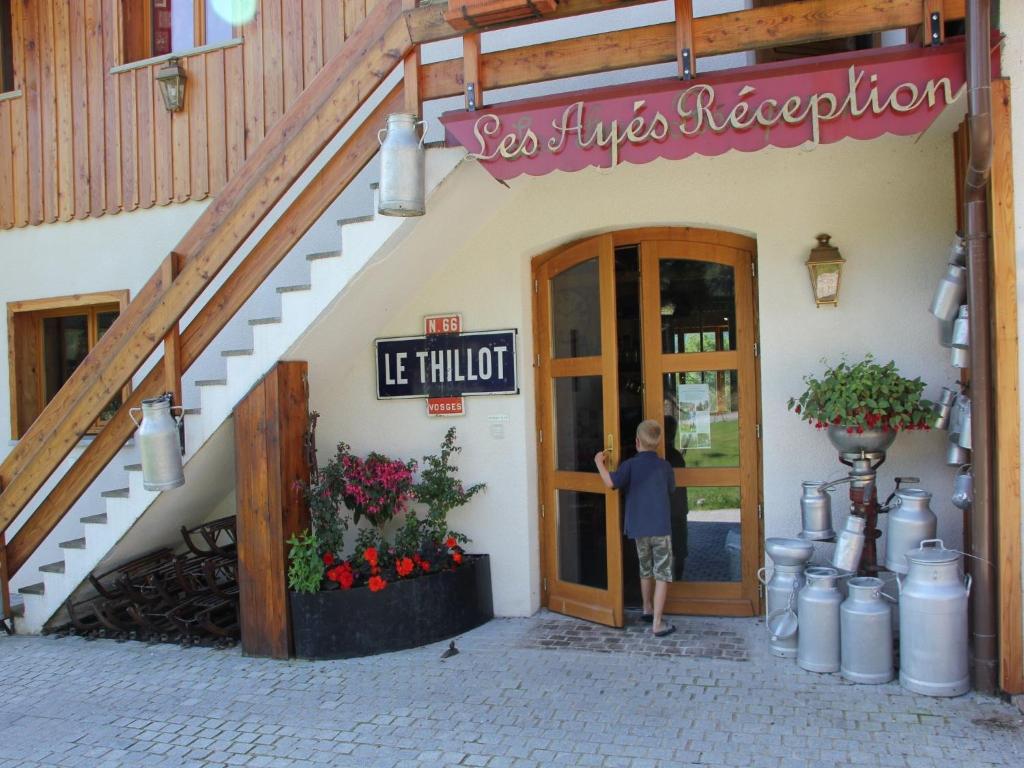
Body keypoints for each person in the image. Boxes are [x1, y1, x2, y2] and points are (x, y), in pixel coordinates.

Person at [594, 419, 676, 637]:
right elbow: (671, 489)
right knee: (662, 574)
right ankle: (657, 622)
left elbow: (611, 483)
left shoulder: (630, 465)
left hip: (639, 528)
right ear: (658, 442)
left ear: (637, 441)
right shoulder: (665, 466)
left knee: (645, 569)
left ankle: (646, 608)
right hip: (660, 528)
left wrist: (599, 463)